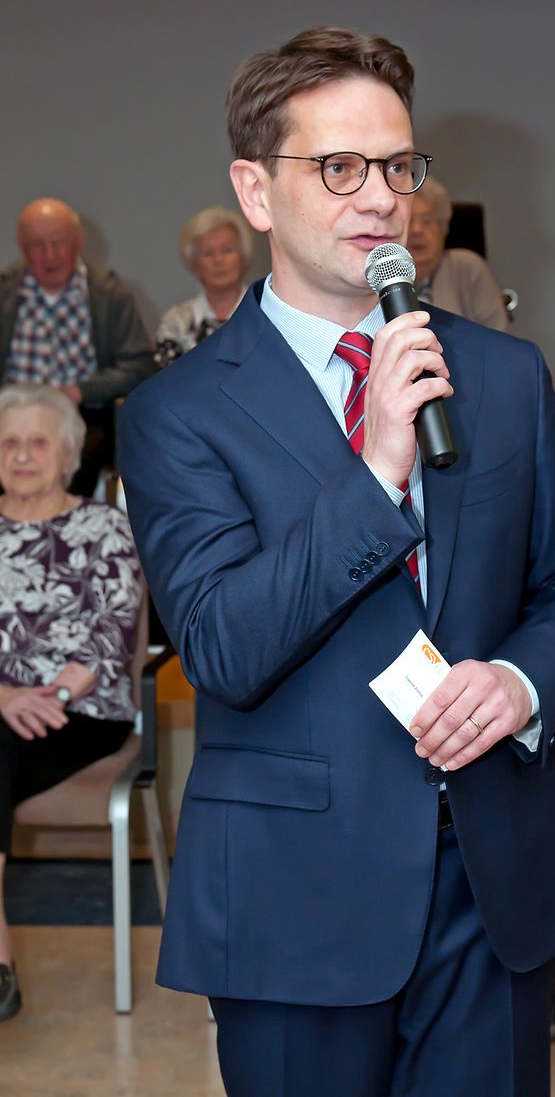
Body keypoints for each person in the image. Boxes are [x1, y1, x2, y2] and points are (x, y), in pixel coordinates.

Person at [118, 26, 555, 1097]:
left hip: (489, 885)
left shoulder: (501, 373)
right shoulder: (177, 414)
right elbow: (222, 646)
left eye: (396, 166)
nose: (379, 198)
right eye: (337, 167)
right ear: (256, 192)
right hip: (296, 896)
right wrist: (378, 464)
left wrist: (521, 679)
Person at [0, 383, 143, 1022]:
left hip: (80, 715)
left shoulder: (104, 526)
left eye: (37, 442)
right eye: (8, 442)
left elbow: (113, 636)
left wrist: (47, 696)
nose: (21, 455)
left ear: (68, 456)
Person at [0, 198, 155, 495]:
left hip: (82, 415)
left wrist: (79, 390)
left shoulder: (110, 296)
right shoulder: (5, 293)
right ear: (21, 247)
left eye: (59, 242)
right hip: (9, 414)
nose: (50, 255)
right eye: (37, 244)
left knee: (67, 469)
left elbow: (140, 365)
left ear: (78, 240)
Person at [155, 206, 256, 368]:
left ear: (243, 256)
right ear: (193, 264)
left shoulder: (266, 312)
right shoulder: (175, 323)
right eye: (208, 253)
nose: (218, 260)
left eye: (227, 250)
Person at [406, 176, 509, 332]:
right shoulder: (378, 273)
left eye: (426, 221)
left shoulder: (467, 268)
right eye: (408, 221)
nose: (417, 230)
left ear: (443, 228)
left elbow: (501, 342)